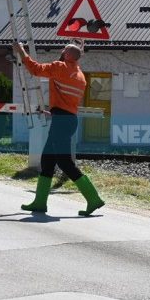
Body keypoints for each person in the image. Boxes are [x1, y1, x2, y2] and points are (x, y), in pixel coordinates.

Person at [12, 41, 105, 216]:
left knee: (64, 162)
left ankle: (93, 198)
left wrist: (21, 50)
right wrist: (54, 112)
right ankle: (40, 202)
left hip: (62, 121)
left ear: (68, 55)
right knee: (47, 160)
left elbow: (35, 69)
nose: (61, 51)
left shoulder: (60, 67)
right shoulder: (80, 76)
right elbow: (67, 102)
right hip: (67, 119)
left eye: (64, 49)